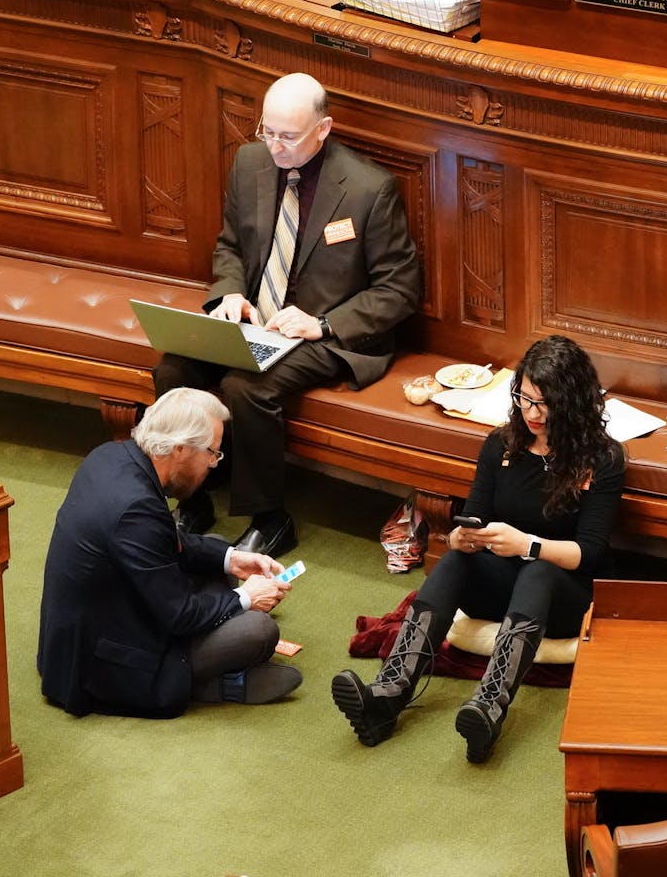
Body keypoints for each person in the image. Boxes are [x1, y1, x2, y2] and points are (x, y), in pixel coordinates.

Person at [155, 72, 421, 558]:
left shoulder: (368, 189)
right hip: (258, 322)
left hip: (328, 336)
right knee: (175, 369)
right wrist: (230, 295)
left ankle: (270, 518)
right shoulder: (250, 162)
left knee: (246, 386)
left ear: (323, 128)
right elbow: (230, 245)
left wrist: (322, 323)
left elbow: (399, 290)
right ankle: (189, 495)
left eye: (288, 136)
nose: (275, 146)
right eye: (268, 131)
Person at [331, 336, 625, 763]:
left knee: (538, 570)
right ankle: (388, 694)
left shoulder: (604, 458)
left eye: (545, 404)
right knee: (453, 560)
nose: (532, 413)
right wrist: (461, 538)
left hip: (565, 592)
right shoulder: (501, 445)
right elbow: (471, 519)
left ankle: (488, 707)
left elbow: (592, 552)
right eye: (524, 399)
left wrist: (529, 545)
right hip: (503, 579)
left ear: (573, 402)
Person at [38, 388, 301, 718]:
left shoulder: (110, 456)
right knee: (258, 631)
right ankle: (213, 684)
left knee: (216, 549)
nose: (213, 463)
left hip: (98, 621)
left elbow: (166, 541)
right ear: (179, 449)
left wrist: (233, 558)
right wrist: (244, 598)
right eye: (212, 453)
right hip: (102, 664)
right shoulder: (136, 510)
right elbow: (181, 616)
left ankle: (214, 664)